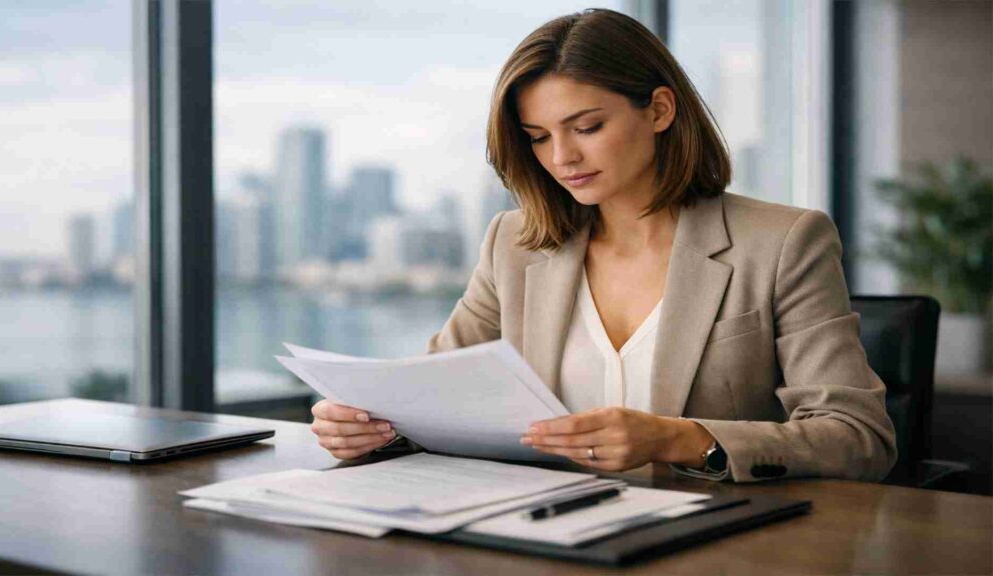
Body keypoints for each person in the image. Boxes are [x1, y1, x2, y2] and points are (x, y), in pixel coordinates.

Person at [310, 8, 896, 482]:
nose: (562, 158)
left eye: (586, 127)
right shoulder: (513, 244)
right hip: (543, 532)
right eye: (539, 138)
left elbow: (857, 437)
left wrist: (680, 438)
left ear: (660, 110)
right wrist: (371, 426)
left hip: (719, 541)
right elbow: (430, 398)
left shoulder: (782, 242)